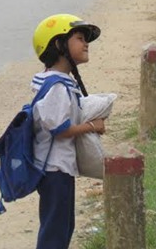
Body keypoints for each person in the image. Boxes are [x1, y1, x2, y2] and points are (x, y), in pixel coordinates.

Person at [31, 13, 106, 249]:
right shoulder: (56, 87)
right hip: (54, 169)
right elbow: (59, 128)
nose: (85, 44)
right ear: (59, 44)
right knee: (55, 232)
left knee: (63, 227)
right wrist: (93, 126)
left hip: (59, 167)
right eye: (80, 38)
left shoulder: (58, 81)